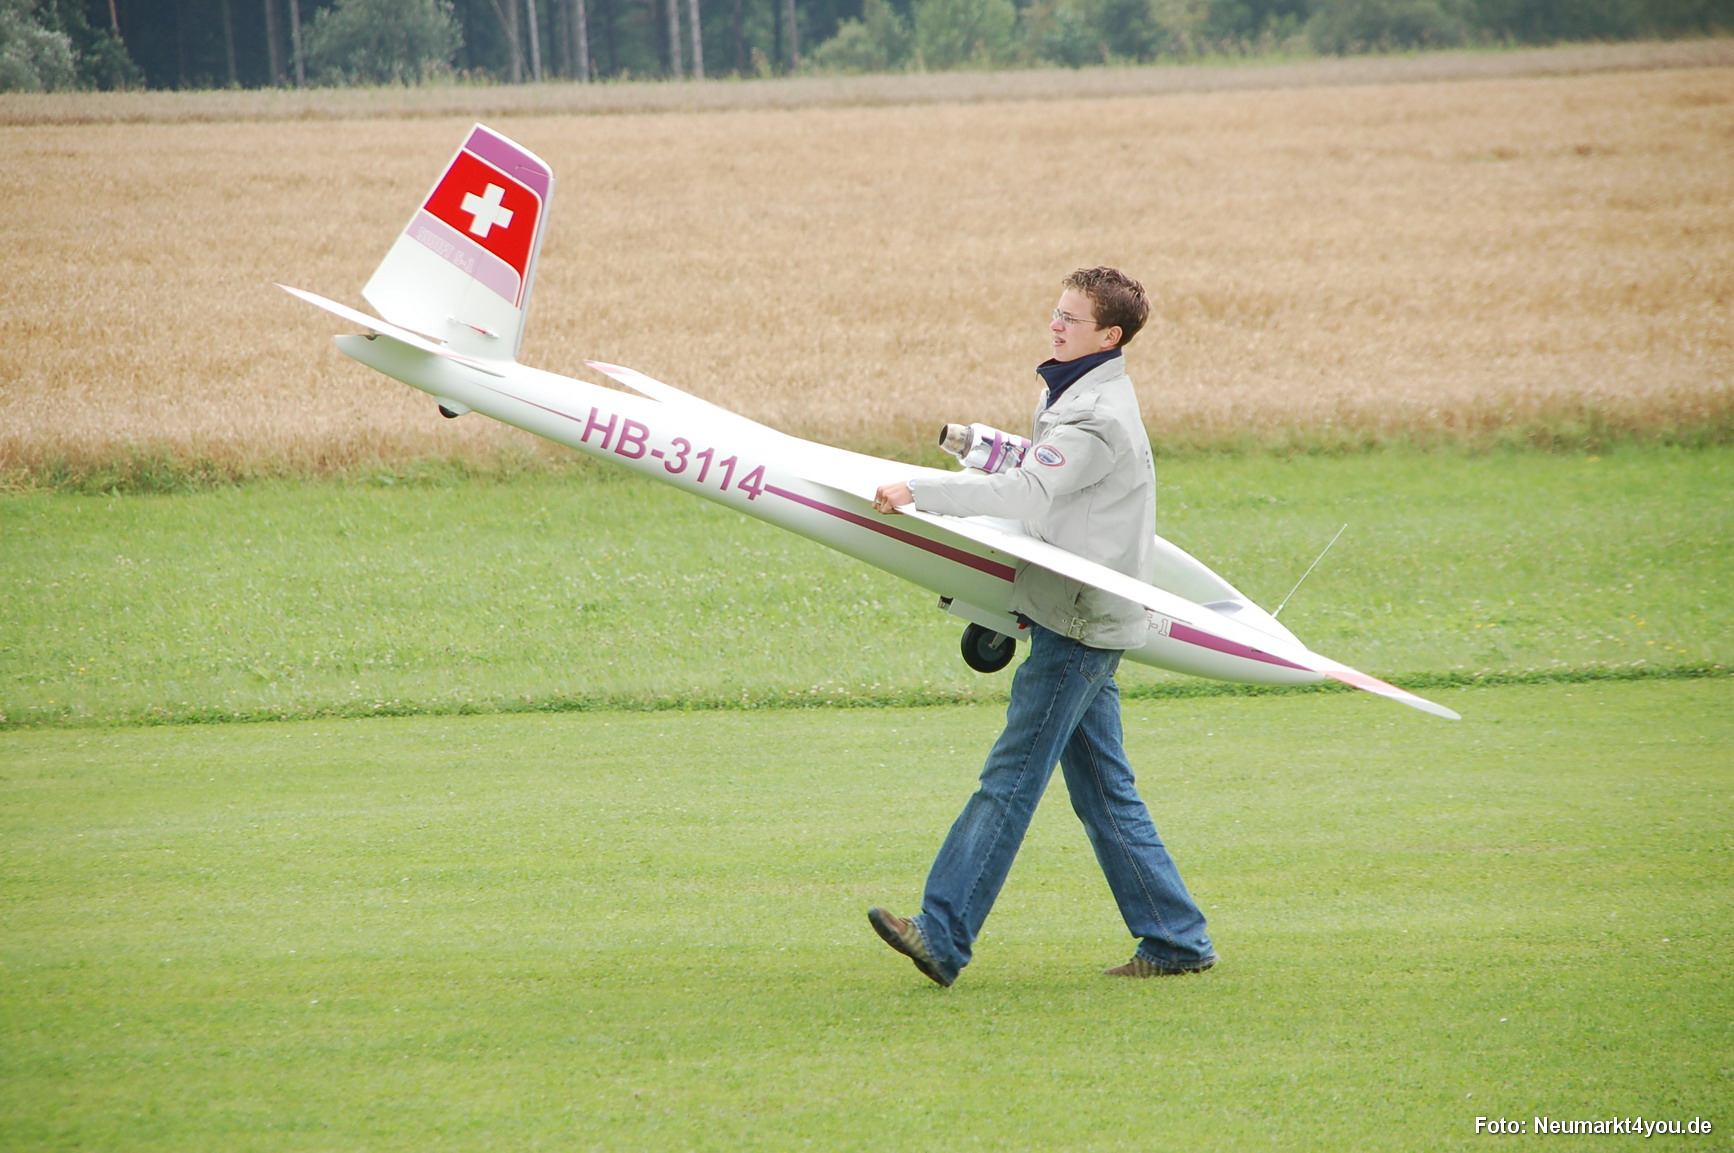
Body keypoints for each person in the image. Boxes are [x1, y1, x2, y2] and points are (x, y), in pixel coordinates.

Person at [867, 267, 1216, 987]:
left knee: (1011, 779)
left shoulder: (1095, 414)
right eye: (1056, 312)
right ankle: (1176, 938)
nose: (1055, 325)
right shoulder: (1074, 388)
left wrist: (920, 490)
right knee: (1103, 791)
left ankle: (943, 933)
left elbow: (1029, 489)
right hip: (1078, 610)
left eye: (1072, 318)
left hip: (1080, 622)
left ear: (1108, 335)